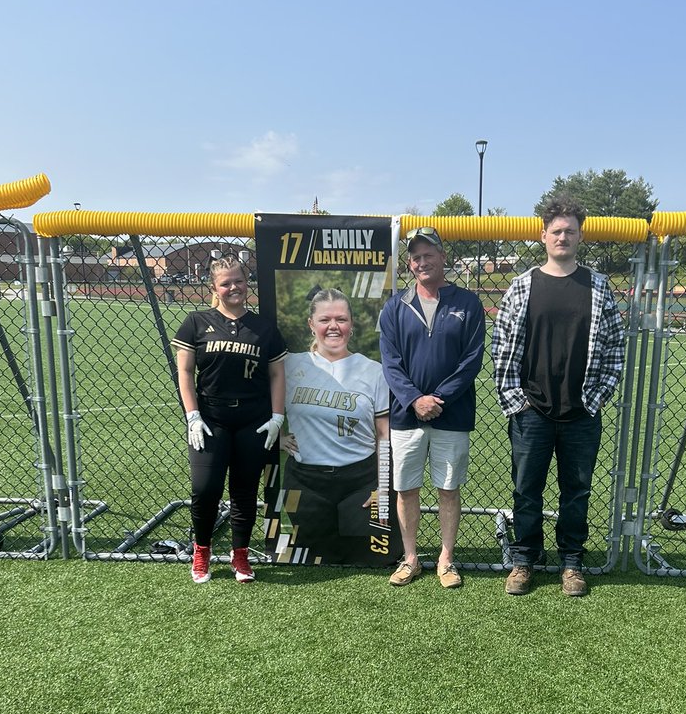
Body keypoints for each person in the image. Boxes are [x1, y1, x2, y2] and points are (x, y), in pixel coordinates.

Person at [492, 197, 624, 597]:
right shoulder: (522, 284)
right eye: (556, 231)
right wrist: (517, 399)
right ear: (543, 235)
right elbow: (501, 345)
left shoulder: (598, 286)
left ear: (580, 236)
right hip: (532, 410)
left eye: (570, 231)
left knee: (576, 492)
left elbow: (616, 349)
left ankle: (571, 562)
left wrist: (596, 397)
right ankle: (525, 560)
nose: (563, 237)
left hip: (581, 410)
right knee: (526, 490)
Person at [379, 226, 486, 589]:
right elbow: (390, 362)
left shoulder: (467, 303)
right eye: (416, 257)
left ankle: (445, 558)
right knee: (406, 489)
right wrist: (414, 399)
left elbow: (471, 361)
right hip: (406, 415)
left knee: (448, 488)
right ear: (410, 264)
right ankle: (410, 559)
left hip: (451, 414)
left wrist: (438, 399)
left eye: (429, 255)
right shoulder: (395, 306)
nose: (423, 262)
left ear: (444, 258)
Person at [173, 256, 286, 583]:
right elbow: (184, 370)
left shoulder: (263, 327)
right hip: (211, 418)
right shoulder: (196, 322)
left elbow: (278, 374)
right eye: (226, 283)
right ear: (214, 287)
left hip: (253, 418)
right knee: (205, 488)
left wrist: (277, 416)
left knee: (245, 489)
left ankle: (240, 556)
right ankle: (202, 551)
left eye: (238, 280)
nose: (233, 287)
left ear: (246, 281)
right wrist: (192, 415)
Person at [280, 289, 396, 564]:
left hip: (360, 479)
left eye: (341, 319)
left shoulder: (373, 371)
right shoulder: (290, 365)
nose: (333, 326)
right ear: (311, 324)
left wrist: (383, 487)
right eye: (325, 319)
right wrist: (278, 437)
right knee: (315, 557)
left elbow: (384, 435)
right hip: (306, 480)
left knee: (374, 557)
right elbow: (255, 404)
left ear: (351, 325)